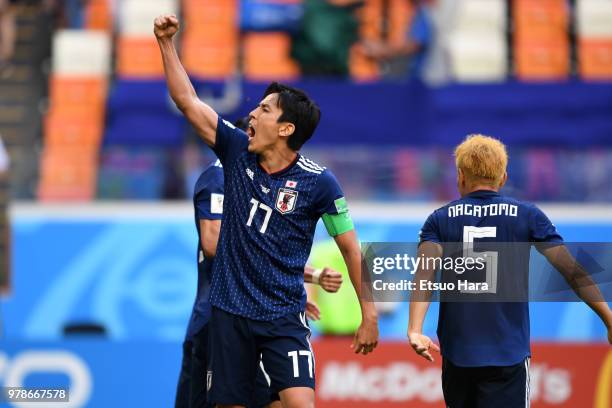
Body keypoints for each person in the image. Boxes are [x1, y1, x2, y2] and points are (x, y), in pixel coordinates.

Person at [154, 14, 379, 408]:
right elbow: (188, 101)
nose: (252, 115)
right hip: (229, 316)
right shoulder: (236, 153)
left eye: (264, 110)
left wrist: (369, 315)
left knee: (300, 404)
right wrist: (166, 44)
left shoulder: (320, 182)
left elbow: (350, 249)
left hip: (283, 318)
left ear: (287, 129)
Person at [408, 134, 612, 408]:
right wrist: (608, 319)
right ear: (503, 177)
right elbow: (571, 271)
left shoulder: (438, 219)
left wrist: (415, 329)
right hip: (508, 355)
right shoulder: (528, 216)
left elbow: (425, 274)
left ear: (460, 176)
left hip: (459, 358)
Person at [175, 149, 343, 408]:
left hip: (255, 312)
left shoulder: (258, 181)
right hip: (224, 316)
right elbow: (212, 244)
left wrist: (285, 289)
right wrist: (306, 278)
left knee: (271, 398)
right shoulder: (220, 177)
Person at [362, 0, 434, 79]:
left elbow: (415, 44)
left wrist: (384, 49)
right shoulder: (370, 8)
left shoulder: (421, 12)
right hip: (380, 77)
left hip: (412, 80)